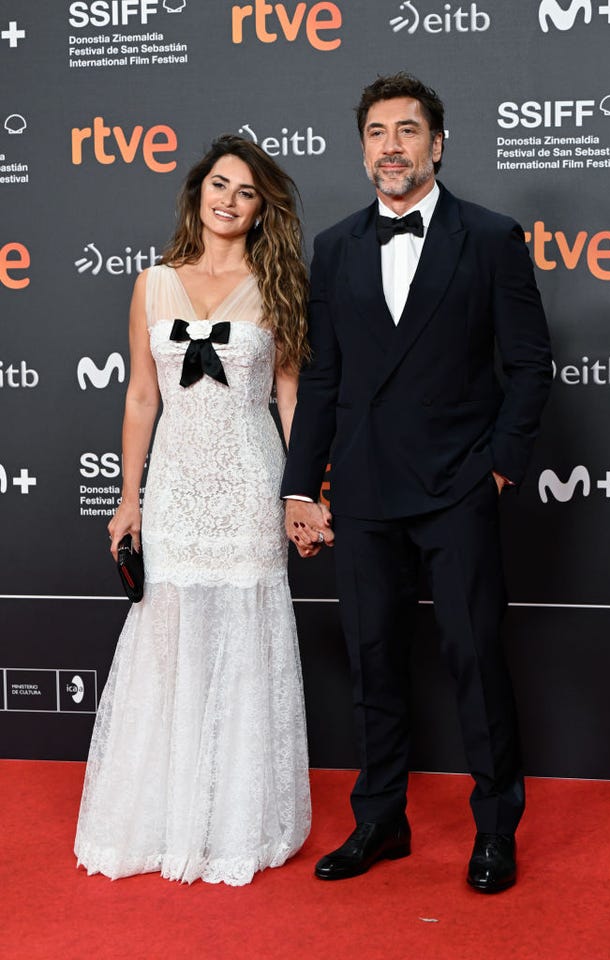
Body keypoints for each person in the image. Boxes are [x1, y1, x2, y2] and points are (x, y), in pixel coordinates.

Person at [281, 73, 552, 893]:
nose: (390, 146)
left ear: (438, 144)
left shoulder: (492, 236)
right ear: (361, 147)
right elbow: (322, 380)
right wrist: (300, 488)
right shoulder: (334, 247)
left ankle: (496, 830)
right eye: (376, 132)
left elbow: (531, 365)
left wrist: (499, 465)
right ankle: (380, 821)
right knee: (372, 662)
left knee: (474, 657)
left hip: (456, 487)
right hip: (361, 493)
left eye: (407, 131)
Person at [75, 135, 311, 886]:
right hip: (175, 485)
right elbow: (142, 396)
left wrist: (301, 493)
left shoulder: (278, 286)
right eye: (218, 184)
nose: (228, 200)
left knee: (246, 642)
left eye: (245, 191)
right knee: (169, 642)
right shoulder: (153, 284)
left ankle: (233, 821)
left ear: (260, 207)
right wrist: (128, 499)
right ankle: (162, 817)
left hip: (249, 483)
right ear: (196, 193)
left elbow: (290, 398)